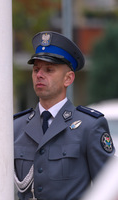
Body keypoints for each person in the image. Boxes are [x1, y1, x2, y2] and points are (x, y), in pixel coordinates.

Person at [13, 31, 115, 200]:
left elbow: (110, 187)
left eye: (49, 70)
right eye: (36, 69)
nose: (39, 75)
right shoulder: (17, 126)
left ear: (68, 78)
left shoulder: (89, 126)